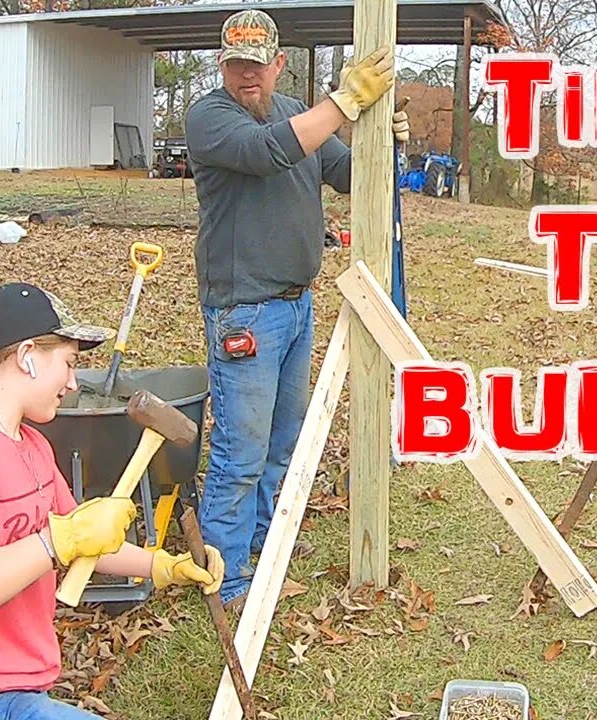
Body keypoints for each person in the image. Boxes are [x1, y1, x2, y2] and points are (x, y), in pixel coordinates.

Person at [0, 282, 226, 720]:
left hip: (13, 689)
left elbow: (83, 537)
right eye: (68, 364)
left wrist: (162, 566)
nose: (73, 383)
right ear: (26, 357)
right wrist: (55, 542)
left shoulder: (32, 444)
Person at [185, 9, 408, 610]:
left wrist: (382, 135)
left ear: (278, 65)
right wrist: (346, 101)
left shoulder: (291, 112)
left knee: (284, 442)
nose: (246, 77)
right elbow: (267, 153)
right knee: (240, 453)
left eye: (257, 66)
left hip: (295, 305)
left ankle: (263, 545)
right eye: (235, 65)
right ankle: (225, 580)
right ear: (221, 65)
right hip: (245, 315)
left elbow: (342, 170)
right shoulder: (210, 117)